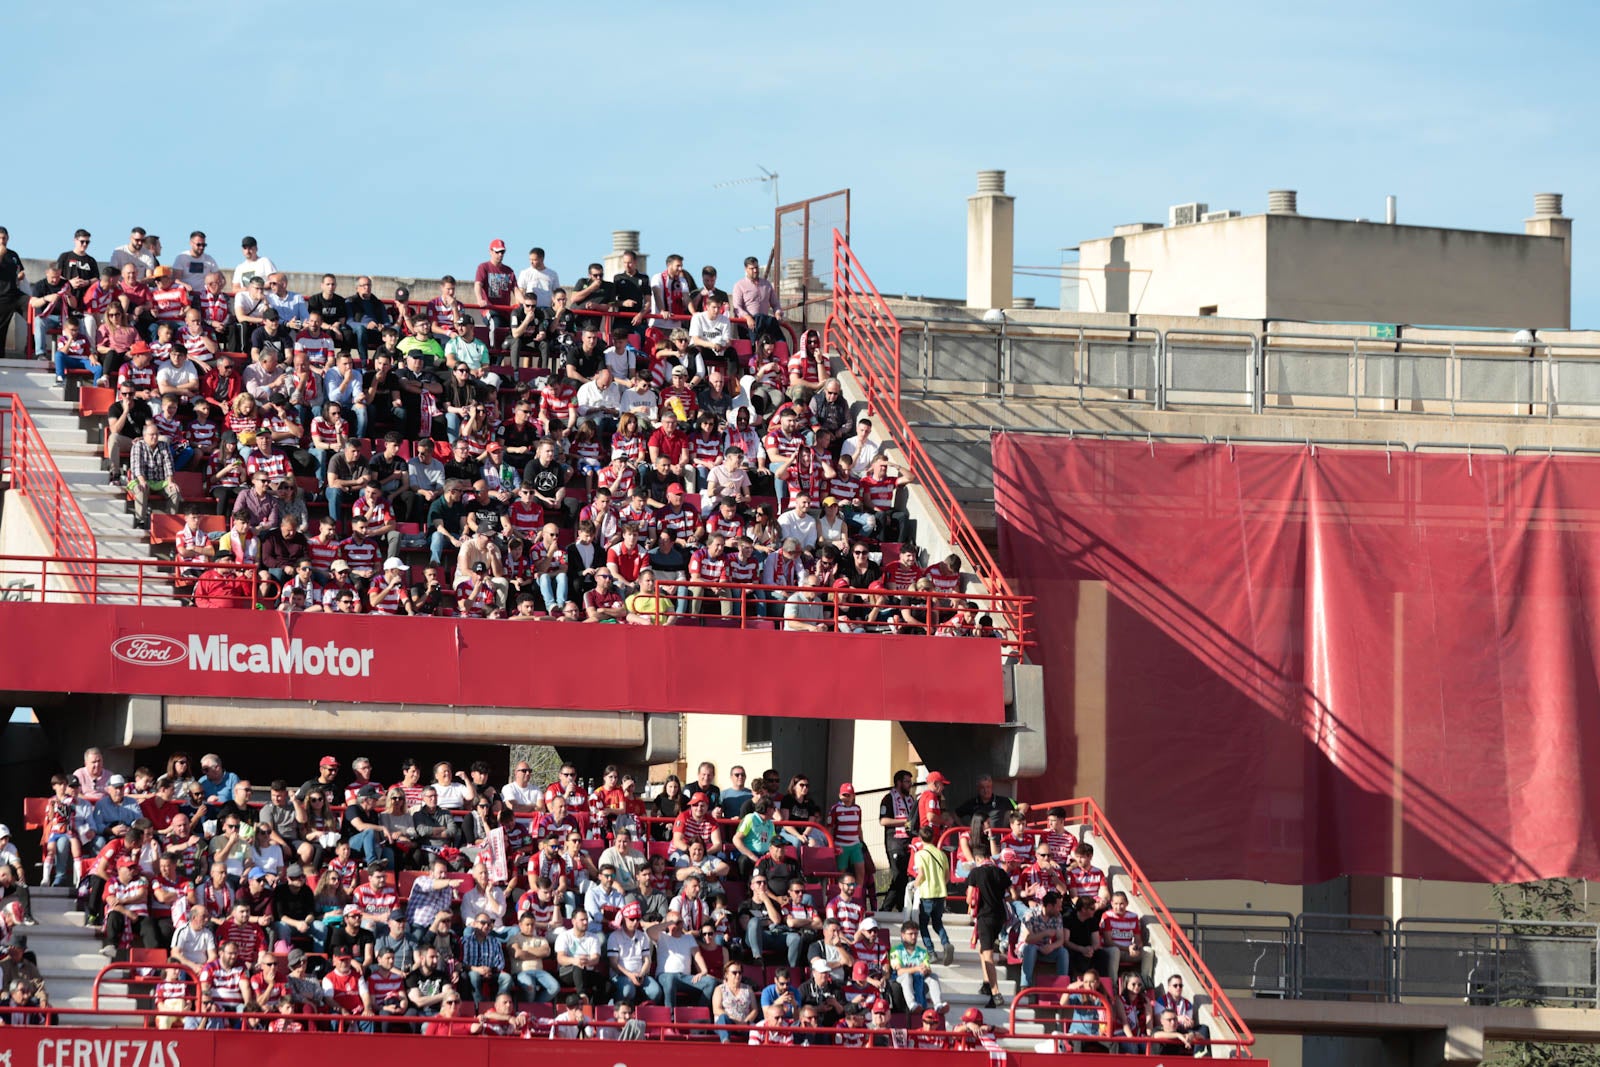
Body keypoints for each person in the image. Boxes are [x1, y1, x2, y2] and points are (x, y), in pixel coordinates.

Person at [965, 840, 1010, 1008]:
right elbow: (1011, 894)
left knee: (988, 954)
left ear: (977, 859)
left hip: (985, 917)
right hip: (1000, 916)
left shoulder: (976, 873)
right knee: (982, 950)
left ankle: (995, 992)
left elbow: (970, 899)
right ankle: (986, 983)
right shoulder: (1000, 872)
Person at [888, 922, 943, 1012]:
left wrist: (926, 970)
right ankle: (912, 1004)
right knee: (906, 976)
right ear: (903, 935)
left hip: (919, 979)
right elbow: (899, 972)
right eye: (910, 934)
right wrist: (917, 969)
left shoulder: (922, 952)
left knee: (933, 977)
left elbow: (928, 969)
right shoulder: (896, 950)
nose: (914, 937)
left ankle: (938, 1004)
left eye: (916, 934)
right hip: (900, 982)